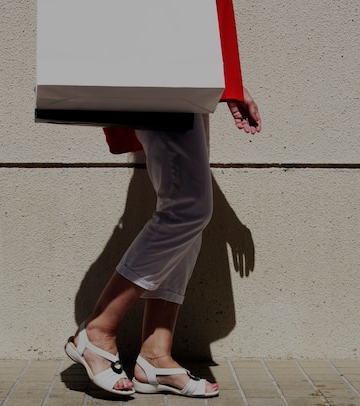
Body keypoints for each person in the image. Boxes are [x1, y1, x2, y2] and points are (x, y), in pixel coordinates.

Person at [64, 87, 261, 397]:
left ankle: (155, 355)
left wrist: (230, 81)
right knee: (188, 209)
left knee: (187, 213)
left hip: (186, 72)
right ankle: (98, 330)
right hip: (160, 69)